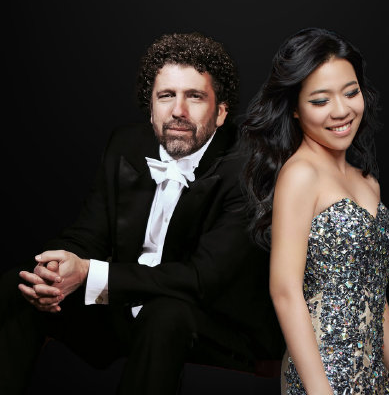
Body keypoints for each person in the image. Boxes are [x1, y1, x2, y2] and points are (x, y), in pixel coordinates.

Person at [0, 32, 283, 395]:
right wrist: (55, 269)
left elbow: (200, 280)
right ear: (151, 108)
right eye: (166, 96)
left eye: (194, 96)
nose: (178, 111)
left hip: (215, 326)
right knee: (19, 286)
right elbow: (89, 234)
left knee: (164, 314)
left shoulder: (249, 169)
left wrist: (89, 274)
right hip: (127, 310)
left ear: (222, 110)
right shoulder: (125, 144)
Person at [238, 28, 389, 394]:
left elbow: (374, 296)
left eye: (351, 92)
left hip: (373, 377)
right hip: (322, 376)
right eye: (320, 101)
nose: (341, 110)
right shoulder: (300, 174)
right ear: (294, 106)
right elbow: (286, 292)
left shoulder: (367, 181)